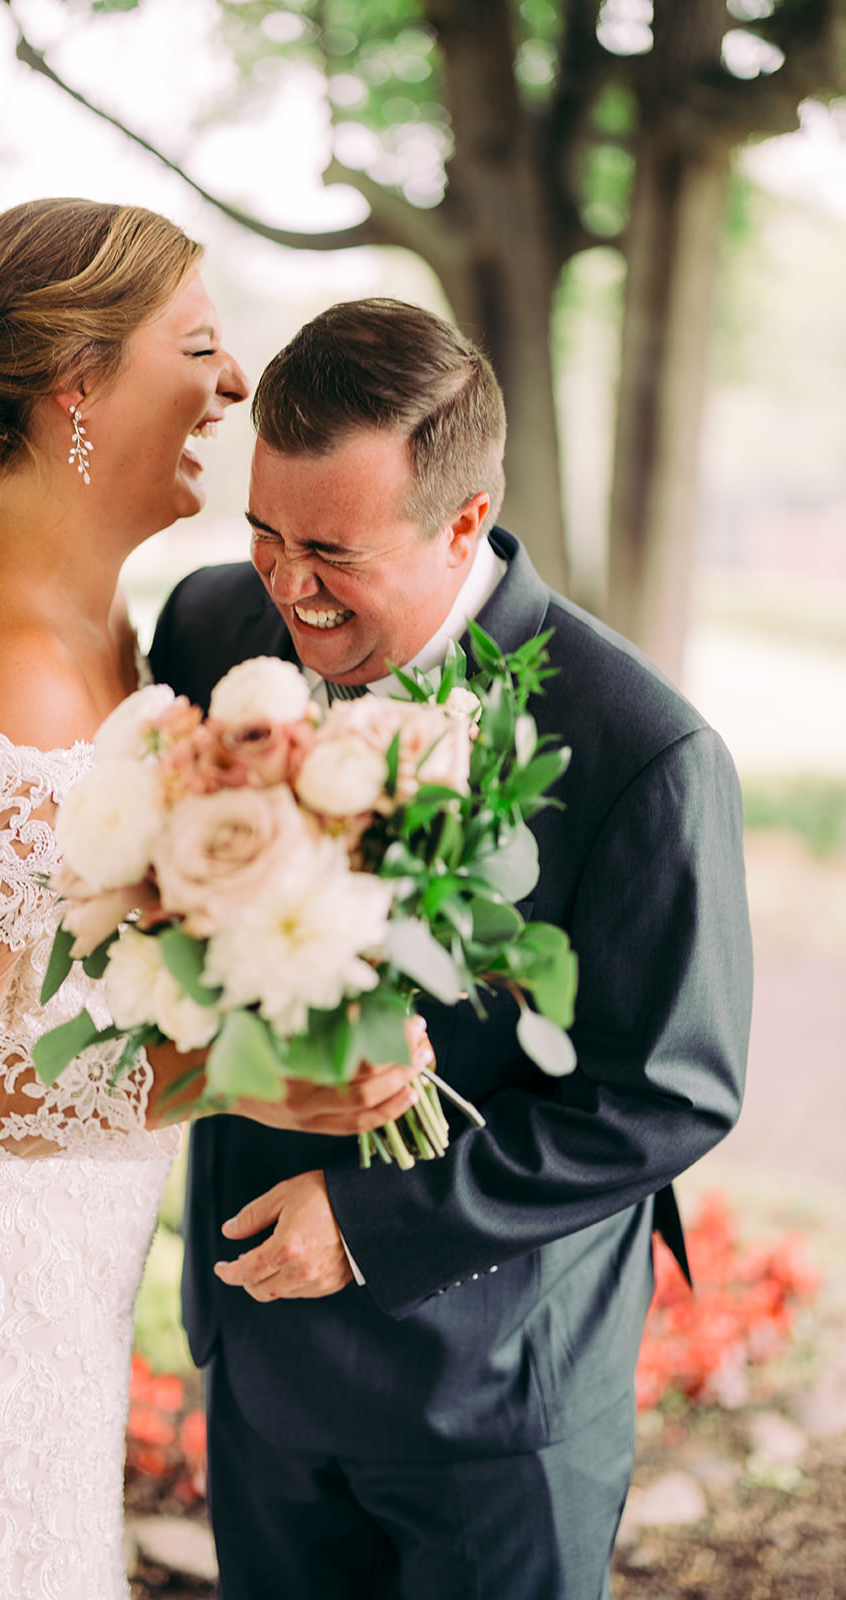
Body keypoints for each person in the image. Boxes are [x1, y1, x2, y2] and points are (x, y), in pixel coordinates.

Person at [0, 205, 417, 1599]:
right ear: (78, 383)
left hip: (45, 1296)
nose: (238, 382)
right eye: (197, 346)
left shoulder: (107, 616)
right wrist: (230, 1079)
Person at [149, 297, 754, 1600]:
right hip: (259, 1361)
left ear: (464, 523)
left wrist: (374, 1222)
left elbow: (671, 1093)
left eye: (331, 551)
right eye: (262, 532)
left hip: (491, 1398)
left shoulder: (641, 750)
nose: (286, 586)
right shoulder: (206, 634)